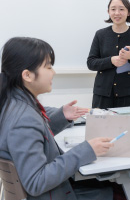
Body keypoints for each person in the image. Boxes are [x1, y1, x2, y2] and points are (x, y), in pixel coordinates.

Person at [0, 37, 114, 200]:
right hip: (51, 195)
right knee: (117, 190)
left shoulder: (13, 103)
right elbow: (36, 182)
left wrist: (62, 115)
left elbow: (36, 134)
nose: (53, 72)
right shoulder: (23, 118)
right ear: (27, 75)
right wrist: (86, 150)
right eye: (48, 67)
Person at [87, 0, 130, 109]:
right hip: (102, 94)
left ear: (128, 12)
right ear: (108, 11)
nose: (117, 13)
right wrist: (111, 61)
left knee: (126, 126)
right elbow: (91, 63)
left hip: (127, 95)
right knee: (100, 126)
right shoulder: (100, 35)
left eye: (121, 9)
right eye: (113, 9)